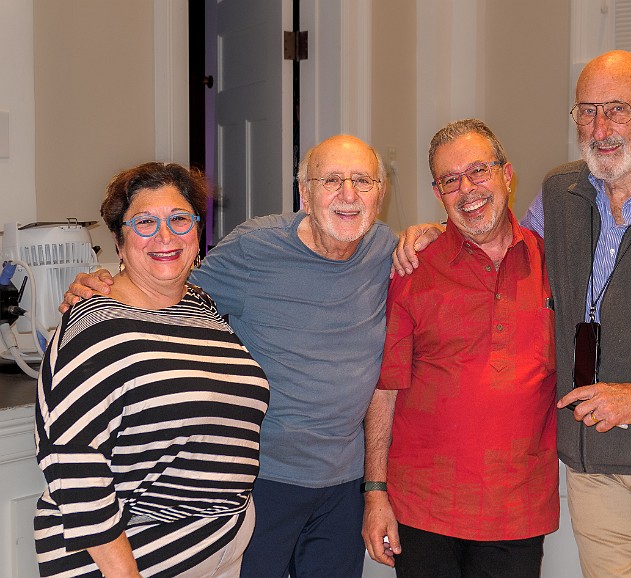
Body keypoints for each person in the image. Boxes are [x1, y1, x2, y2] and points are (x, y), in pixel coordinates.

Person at [393, 51, 631, 578]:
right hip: (595, 472)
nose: (601, 127)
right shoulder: (561, 194)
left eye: (618, 109)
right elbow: (497, 237)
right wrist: (433, 232)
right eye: (587, 111)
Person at [61, 135, 398, 578]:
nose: (348, 195)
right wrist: (101, 287)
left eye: (362, 180)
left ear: (380, 193)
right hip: (259, 481)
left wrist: (426, 233)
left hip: (343, 485)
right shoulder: (255, 248)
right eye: (331, 180)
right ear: (305, 194)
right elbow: (169, 286)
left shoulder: (386, 250)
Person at [35, 162, 270, 578]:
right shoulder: (95, 322)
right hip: (134, 559)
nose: (165, 236)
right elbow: (72, 462)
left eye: (180, 219)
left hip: (215, 548)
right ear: (119, 242)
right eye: (144, 222)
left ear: (198, 233)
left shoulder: (199, 306)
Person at [362, 119, 558, 578]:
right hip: (424, 509)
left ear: (507, 175)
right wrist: (374, 493)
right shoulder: (412, 269)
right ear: (438, 193)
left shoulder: (555, 264)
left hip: (516, 511)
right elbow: (385, 388)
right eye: (450, 180)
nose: (467, 189)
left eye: (479, 172)